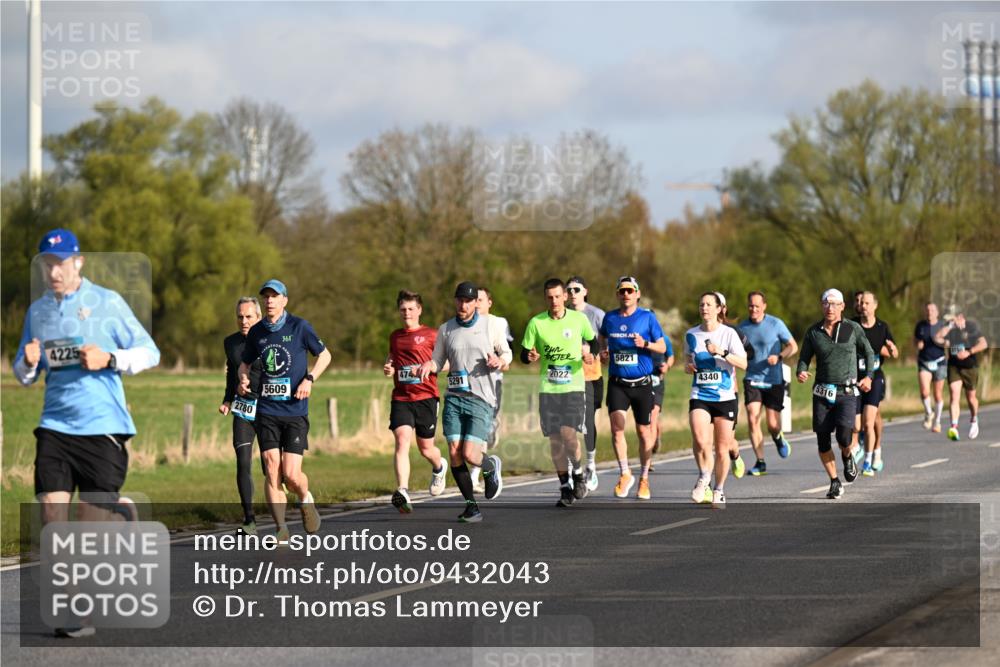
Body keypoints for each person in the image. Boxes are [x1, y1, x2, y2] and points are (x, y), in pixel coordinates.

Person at [14, 228, 160, 638]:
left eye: (59, 264)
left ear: (78, 263)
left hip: (103, 430)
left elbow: (150, 352)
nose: (53, 272)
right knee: (51, 517)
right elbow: (25, 374)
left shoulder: (107, 302)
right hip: (55, 427)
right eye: (46, 264)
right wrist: (27, 362)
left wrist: (110, 357)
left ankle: (119, 511)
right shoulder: (38, 312)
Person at [238, 279, 331, 542]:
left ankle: (304, 497)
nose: (269, 301)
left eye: (274, 296)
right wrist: (243, 379)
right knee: (271, 468)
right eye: (265, 296)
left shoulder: (299, 327)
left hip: (295, 411)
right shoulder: (257, 332)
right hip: (267, 410)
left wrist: (309, 379)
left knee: (291, 475)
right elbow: (244, 364)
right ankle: (281, 528)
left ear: (284, 301)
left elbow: (325, 356)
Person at [418, 281, 511, 522]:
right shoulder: (446, 329)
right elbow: (438, 360)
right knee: (454, 453)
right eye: (459, 300)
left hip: (481, 398)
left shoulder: (491, 325)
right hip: (454, 398)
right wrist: (430, 365)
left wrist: (499, 361)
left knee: (470, 455)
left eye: (468, 300)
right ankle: (472, 507)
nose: (463, 304)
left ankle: (490, 466)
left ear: (475, 303)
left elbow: (506, 353)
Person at [521, 278, 597, 507]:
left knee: (568, 435)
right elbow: (524, 353)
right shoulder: (537, 323)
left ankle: (578, 472)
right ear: (546, 298)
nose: (554, 301)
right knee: (555, 440)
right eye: (549, 297)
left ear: (565, 296)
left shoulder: (578, 319)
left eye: (557, 296)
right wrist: (530, 357)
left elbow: (592, 343)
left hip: (573, 386)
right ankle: (564, 486)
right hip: (548, 389)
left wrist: (588, 353)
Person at [796, 289, 874, 499]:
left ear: (842, 306)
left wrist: (868, 376)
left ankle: (848, 456)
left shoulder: (852, 328)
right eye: (826, 303)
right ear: (821, 306)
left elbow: (868, 352)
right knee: (822, 441)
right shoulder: (814, 332)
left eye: (834, 304)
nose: (830, 308)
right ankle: (834, 481)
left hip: (847, 391)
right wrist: (801, 371)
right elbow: (804, 357)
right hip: (822, 391)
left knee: (843, 437)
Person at [598, 276, 668, 500]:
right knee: (617, 428)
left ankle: (644, 478)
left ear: (637, 294)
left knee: (643, 432)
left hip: (642, 384)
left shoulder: (647, 318)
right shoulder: (610, 318)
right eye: (622, 291)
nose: (626, 294)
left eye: (630, 291)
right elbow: (602, 337)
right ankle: (625, 473)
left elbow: (662, 346)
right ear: (617, 294)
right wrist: (603, 352)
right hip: (618, 383)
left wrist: (645, 344)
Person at [383, 290, 447, 513]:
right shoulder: (395, 336)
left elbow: (448, 362)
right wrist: (389, 366)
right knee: (402, 441)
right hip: (401, 397)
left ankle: (439, 467)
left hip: (426, 397)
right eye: (403, 309)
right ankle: (402, 491)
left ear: (419, 310)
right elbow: (392, 357)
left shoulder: (432, 334)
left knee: (426, 448)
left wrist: (431, 365)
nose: (407, 313)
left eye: (411, 309)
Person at [685, 293, 749, 509]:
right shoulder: (691, 334)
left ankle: (719, 489)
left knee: (722, 449)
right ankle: (704, 478)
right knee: (701, 440)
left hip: (725, 397)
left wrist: (721, 352)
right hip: (700, 395)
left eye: (709, 305)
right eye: (701, 304)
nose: (704, 308)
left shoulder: (729, 334)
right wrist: (688, 366)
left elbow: (743, 363)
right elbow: (688, 358)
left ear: (719, 308)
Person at [737, 291, 797, 476]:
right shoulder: (742, 328)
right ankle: (760, 461)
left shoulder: (775, 323)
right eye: (750, 306)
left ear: (764, 306)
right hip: (752, 378)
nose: (753, 309)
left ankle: (778, 438)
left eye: (757, 306)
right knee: (753, 417)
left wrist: (779, 356)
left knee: (772, 424)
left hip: (773, 379)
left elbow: (792, 346)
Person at [220, 297, 263, 534]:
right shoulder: (231, 343)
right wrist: (228, 398)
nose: (243, 321)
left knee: (272, 467)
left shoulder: (269, 339)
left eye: (248, 316)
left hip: (268, 409)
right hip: (243, 408)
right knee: (243, 462)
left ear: (258, 317)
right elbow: (231, 373)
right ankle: (249, 521)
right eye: (240, 316)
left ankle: (283, 508)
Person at [469, 286, 514, 490]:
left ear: (489, 302)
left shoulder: (498, 323)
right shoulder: (464, 323)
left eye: (480, 300)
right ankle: (475, 472)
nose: (476, 303)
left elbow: (507, 356)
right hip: (468, 384)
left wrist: (499, 361)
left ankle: (475, 475)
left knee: (484, 428)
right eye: (473, 300)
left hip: (492, 382)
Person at [566, 276, 605, 491]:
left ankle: (590, 464)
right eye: (569, 289)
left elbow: (604, 341)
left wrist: (596, 352)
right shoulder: (562, 316)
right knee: (570, 426)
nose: (572, 293)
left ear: (585, 291)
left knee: (589, 422)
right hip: (568, 378)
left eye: (576, 289)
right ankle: (575, 470)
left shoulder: (596, 314)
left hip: (591, 376)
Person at [853, 292, 898, 476]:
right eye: (862, 303)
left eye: (867, 303)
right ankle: (860, 447)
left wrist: (893, 349)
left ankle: (869, 459)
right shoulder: (852, 325)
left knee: (869, 421)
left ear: (875, 305)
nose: (863, 306)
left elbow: (894, 353)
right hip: (856, 378)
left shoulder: (882, 327)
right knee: (856, 425)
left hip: (875, 378)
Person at [933, 308, 988, 440]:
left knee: (971, 398)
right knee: (954, 394)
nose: (952, 320)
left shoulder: (971, 327)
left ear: (961, 317)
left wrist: (969, 352)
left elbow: (983, 343)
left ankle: (974, 419)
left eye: (954, 317)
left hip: (970, 367)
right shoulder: (950, 328)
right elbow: (937, 338)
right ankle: (954, 427)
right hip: (954, 366)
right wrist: (950, 326)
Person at [914, 303, 948, 433]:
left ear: (937, 312)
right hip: (924, 362)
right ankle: (929, 412)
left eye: (932, 310)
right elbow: (915, 340)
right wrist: (918, 344)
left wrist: (943, 342)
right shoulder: (920, 326)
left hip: (939, 362)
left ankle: (937, 422)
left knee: (938, 394)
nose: (930, 312)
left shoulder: (942, 326)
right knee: (924, 392)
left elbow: (949, 342)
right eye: (927, 310)